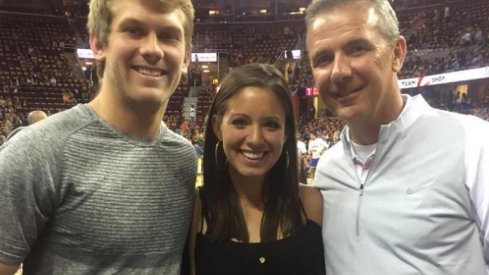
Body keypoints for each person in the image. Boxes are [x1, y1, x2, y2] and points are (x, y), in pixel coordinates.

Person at [0, 0, 197, 274]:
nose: (153, 49)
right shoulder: (38, 151)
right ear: (98, 44)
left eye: (168, 36)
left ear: (186, 56)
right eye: (134, 30)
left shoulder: (184, 158)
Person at [305, 0, 489, 274]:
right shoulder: (329, 169)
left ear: (397, 54)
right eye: (323, 59)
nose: (339, 71)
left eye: (357, 48)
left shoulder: (473, 143)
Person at [189, 63, 325, 275]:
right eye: (240, 122)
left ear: (286, 132)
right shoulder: (196, 211)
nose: (255, 139)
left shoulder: (313, 203)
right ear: (217, 127)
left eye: (270, 124)